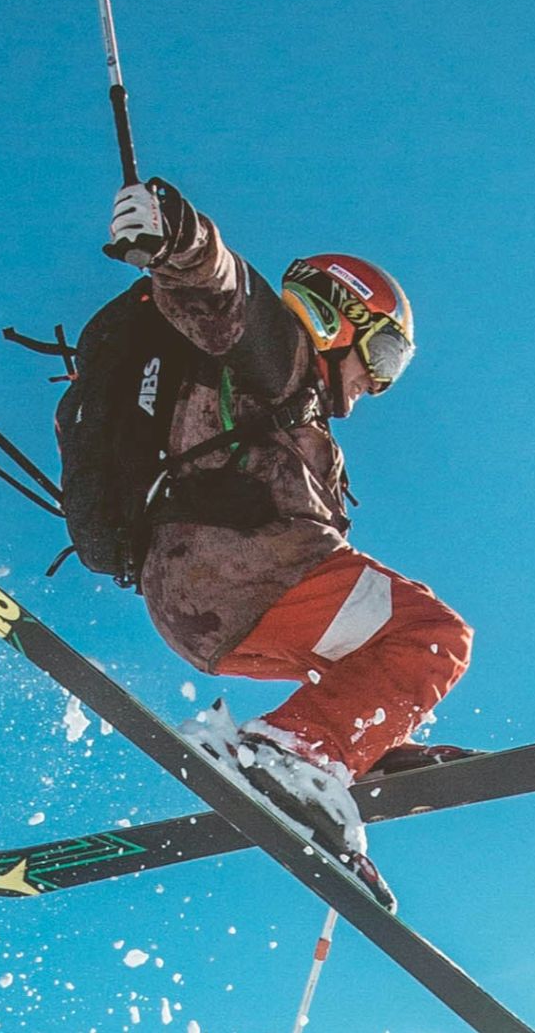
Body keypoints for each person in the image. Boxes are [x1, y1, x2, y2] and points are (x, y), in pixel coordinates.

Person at [105, 178, 474, 910]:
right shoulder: (278, 354)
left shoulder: (304, 418)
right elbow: (219, 292)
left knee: (373, 649)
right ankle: (296, 751)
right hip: (245, 568)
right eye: (387, 354)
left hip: (205, 605)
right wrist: (176, 235)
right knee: (434, 634)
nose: (379, 382)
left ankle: (348, 744)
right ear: (340, 315)